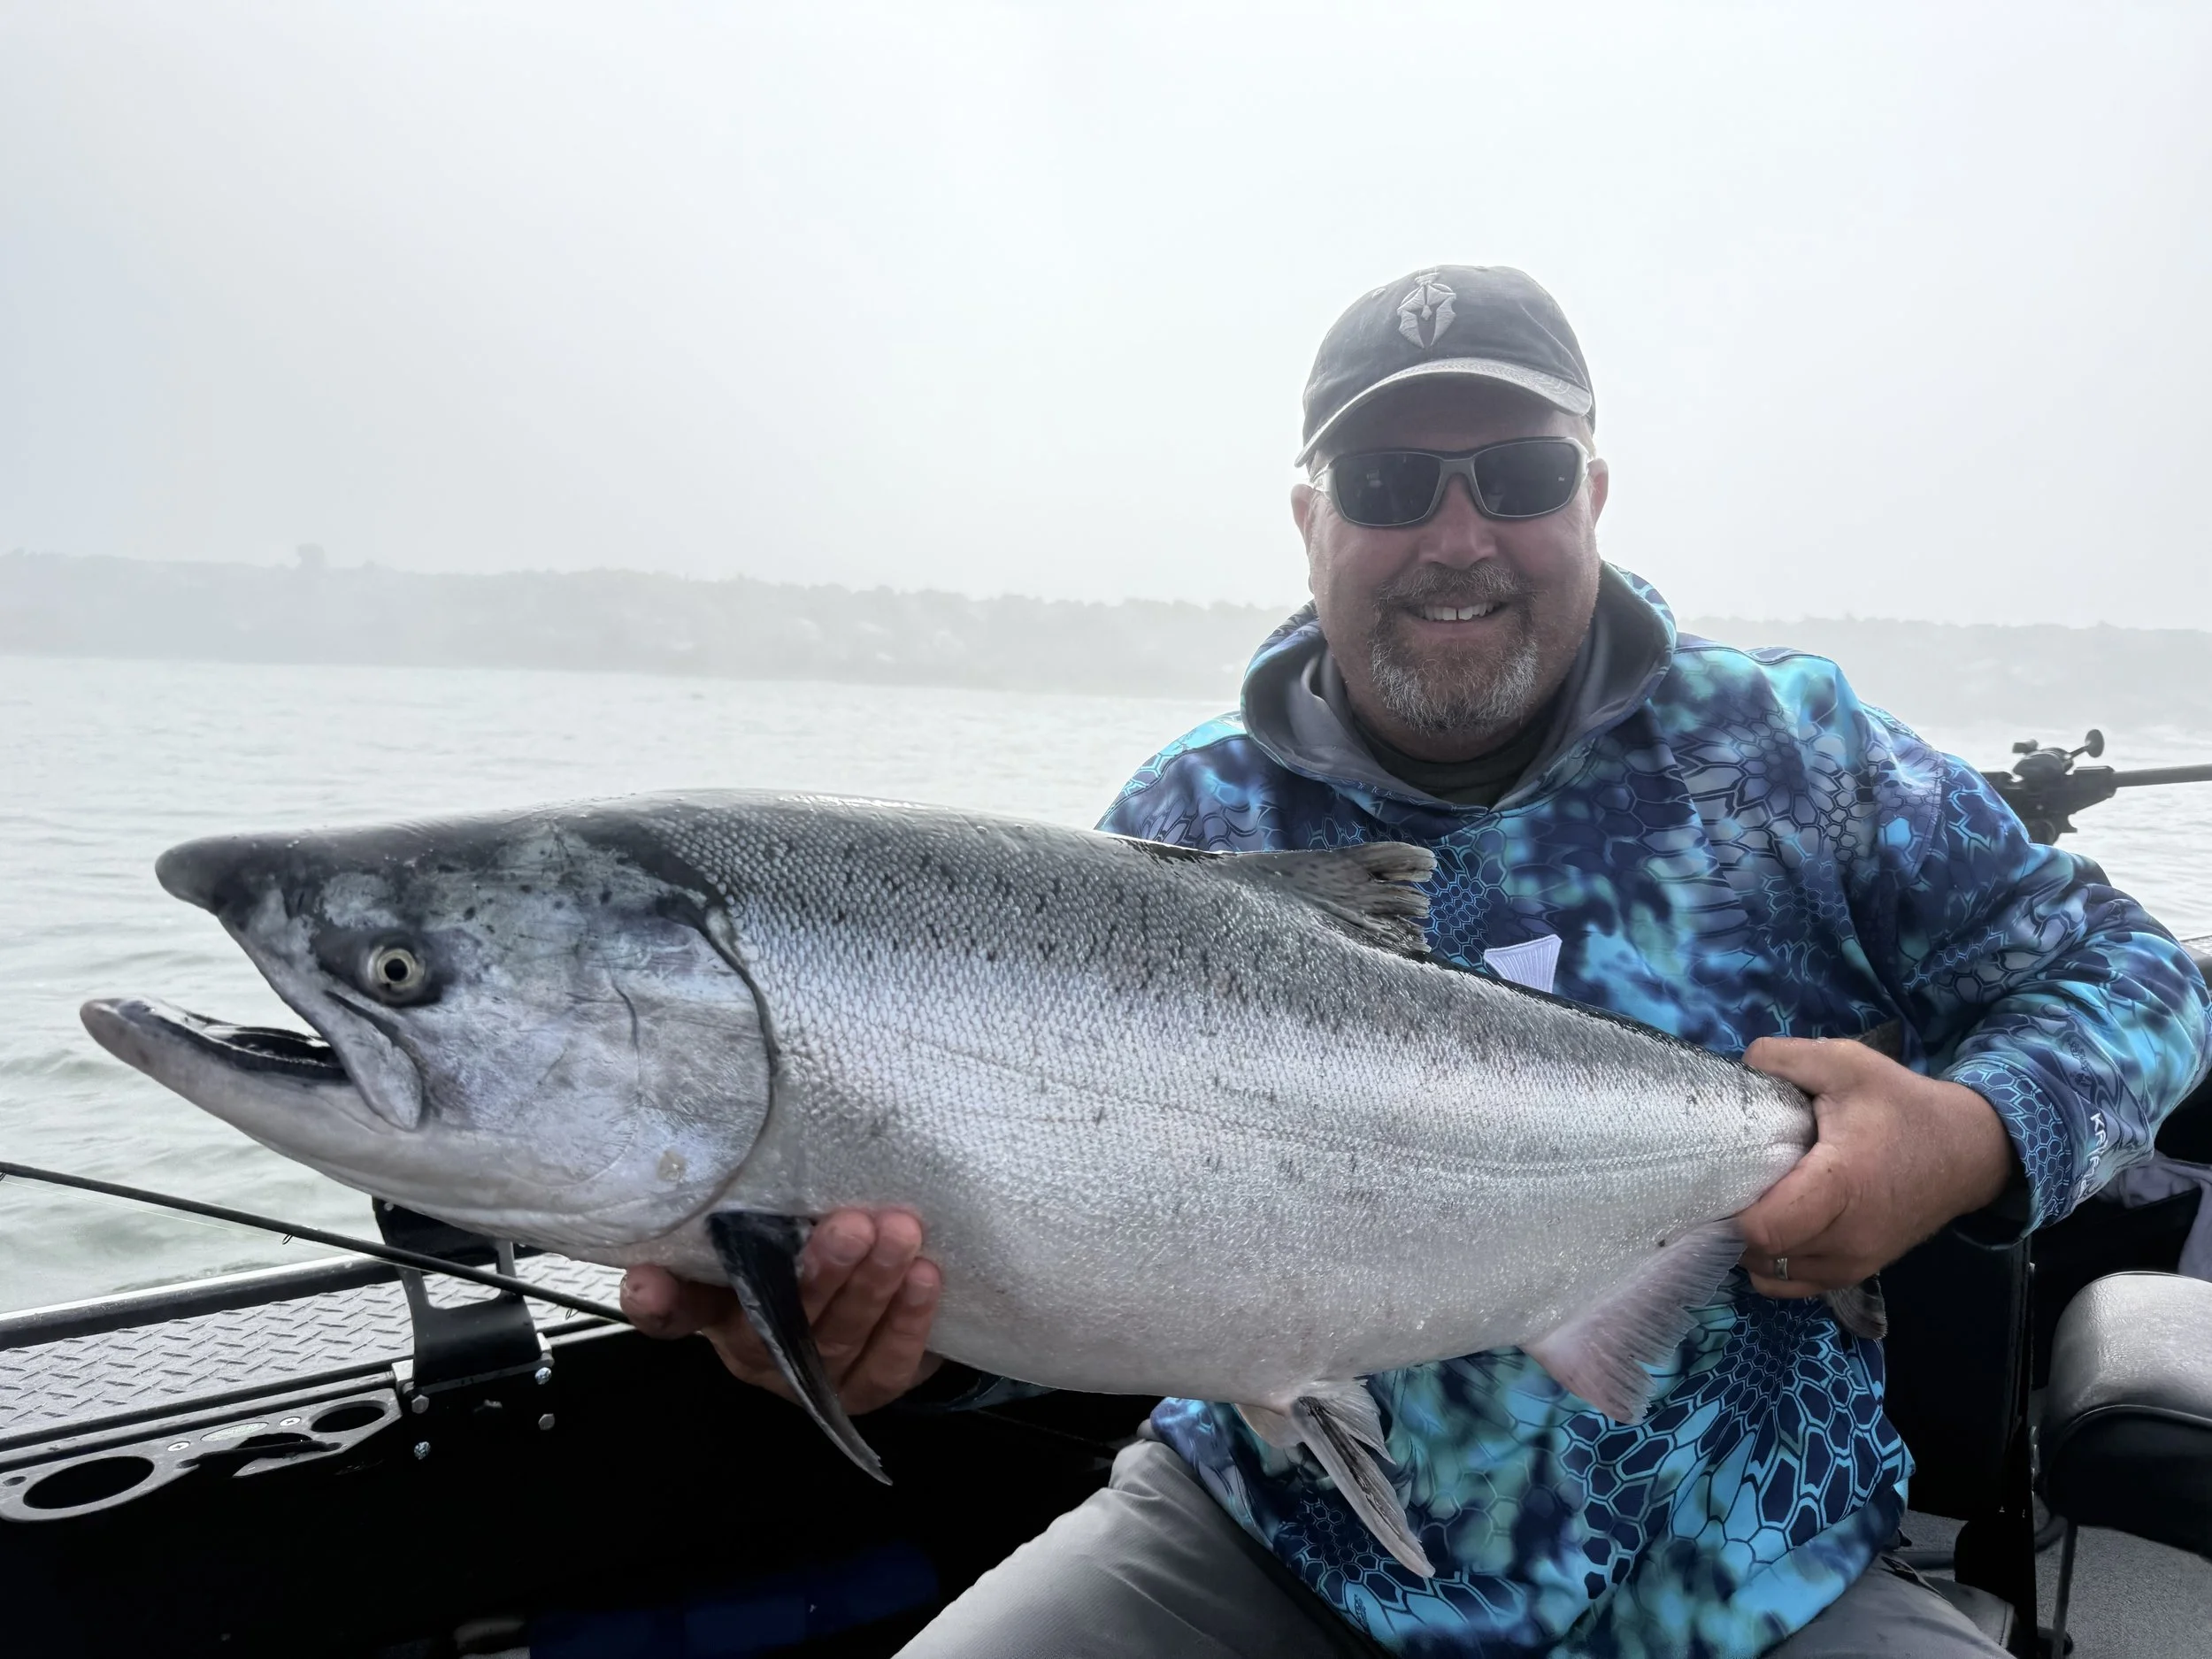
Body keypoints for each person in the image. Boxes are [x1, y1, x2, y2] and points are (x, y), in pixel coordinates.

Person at [621, 265, 2212, 1656]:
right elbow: (1078, 1263)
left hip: (1748, 1577)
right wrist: (884, 1332)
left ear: (1592, 495)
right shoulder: (1192, 815)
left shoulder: (1792, 751)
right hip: (1265, 1542)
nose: (1456, 536)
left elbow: (2138, 977)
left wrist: (1966, 1140)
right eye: (1389, 480)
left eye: (1514, 471)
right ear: (1312, 518)